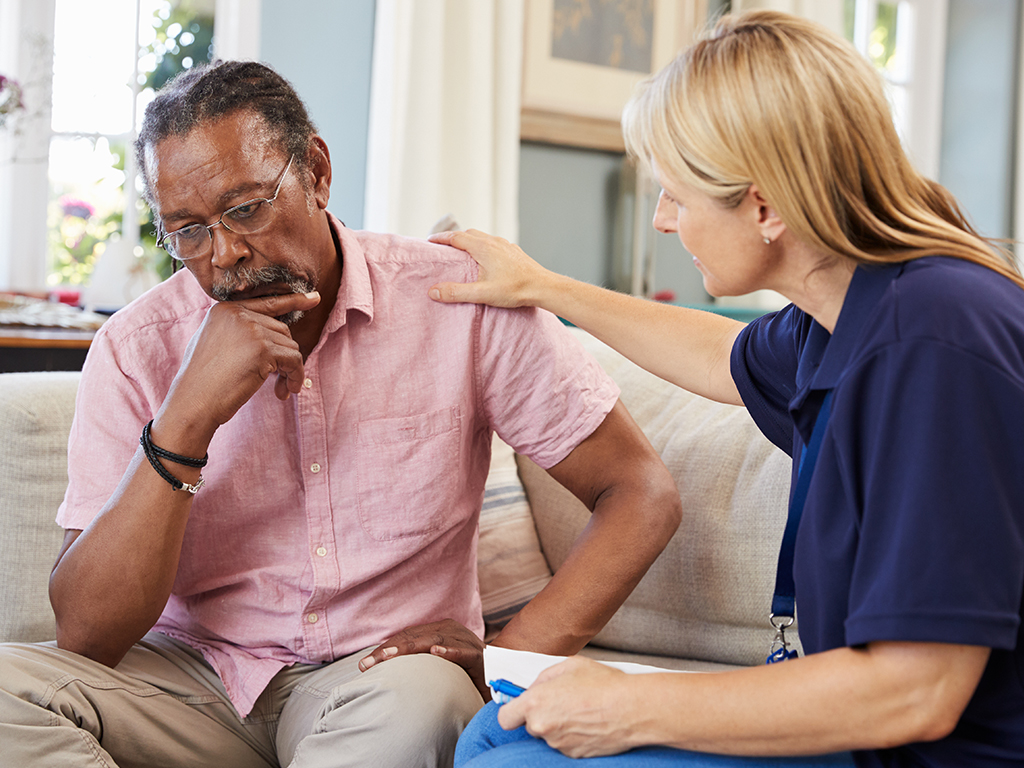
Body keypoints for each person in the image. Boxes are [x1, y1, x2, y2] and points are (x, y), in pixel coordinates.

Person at [0, 61, 683, 768]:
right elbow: (87, 635)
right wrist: (186, 421)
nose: (226, 254)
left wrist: (510, 657)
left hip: (379, 678)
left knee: (422, 708)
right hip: (188, 682)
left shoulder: (458, 302)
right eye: (189, 231)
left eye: (245, 209)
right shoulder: (134, 347)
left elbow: (640, 493)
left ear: (317, 173)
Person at [428, 10, 1024, 768]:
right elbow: (722, 357)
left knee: (514, 758)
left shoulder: (936, 342)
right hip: (871, 739)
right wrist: (542, 286)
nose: (663, 220)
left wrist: (628, 705)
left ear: (766, 206)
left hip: (940, 751)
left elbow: (918, 690)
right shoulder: (844, 311)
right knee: (498, 729)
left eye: (676, 194)